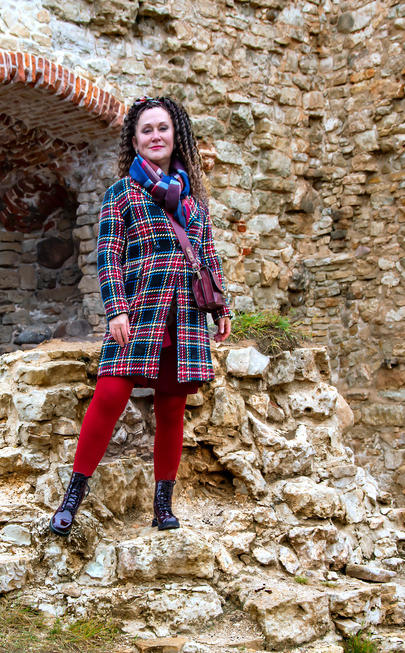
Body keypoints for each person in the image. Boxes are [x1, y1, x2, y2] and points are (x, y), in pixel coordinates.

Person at [50, 96, 232, 536]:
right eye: (146, 129)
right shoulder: (122, 195)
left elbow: (207, 256)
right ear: (134, 140)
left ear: (176, 136)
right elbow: (107, 257)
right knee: (109, 396)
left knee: (172, 410)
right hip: (140, 312)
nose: (155, 136)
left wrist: (221, 306)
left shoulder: (193, 202)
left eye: (163, 128)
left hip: (185, 313)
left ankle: (163, 506)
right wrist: (115, 309)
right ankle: (73, 497)